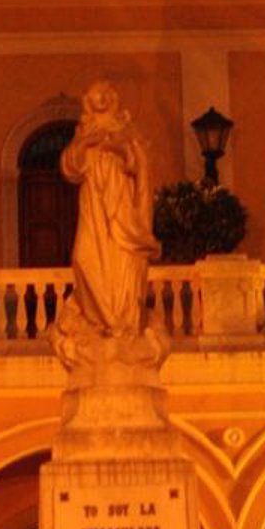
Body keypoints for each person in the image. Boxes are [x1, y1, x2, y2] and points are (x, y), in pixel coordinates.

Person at [61, 79, 159, 339]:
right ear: (88, 100)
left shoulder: (125, 128)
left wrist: (118, 148)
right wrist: (85, 143)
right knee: (83, 258)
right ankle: (101, 318)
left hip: (119, 204)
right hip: (93, 202)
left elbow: (141, 162)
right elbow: (70, 168)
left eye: (105, 93)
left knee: (121, 261)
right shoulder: (84, 131)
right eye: (96, 94)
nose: (101, 98)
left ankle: (119, 321)